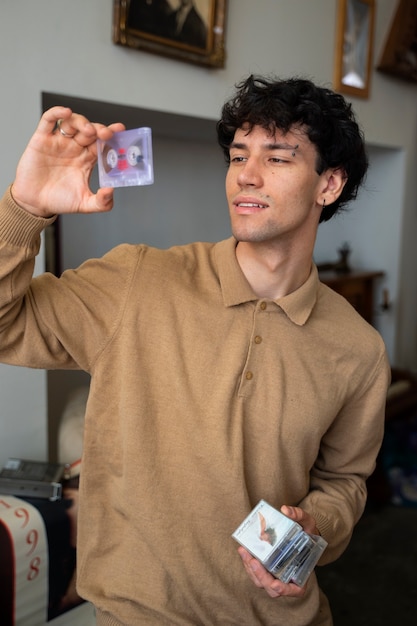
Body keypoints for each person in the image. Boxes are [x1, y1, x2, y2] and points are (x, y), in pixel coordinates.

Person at [0, 75, 390, 625]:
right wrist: (24, 207)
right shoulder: (138, 279)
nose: (246, 176)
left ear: (329, 184)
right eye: (237, 156)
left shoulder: (358, 348)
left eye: (278, 159)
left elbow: (344, 482)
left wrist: (315, 527)